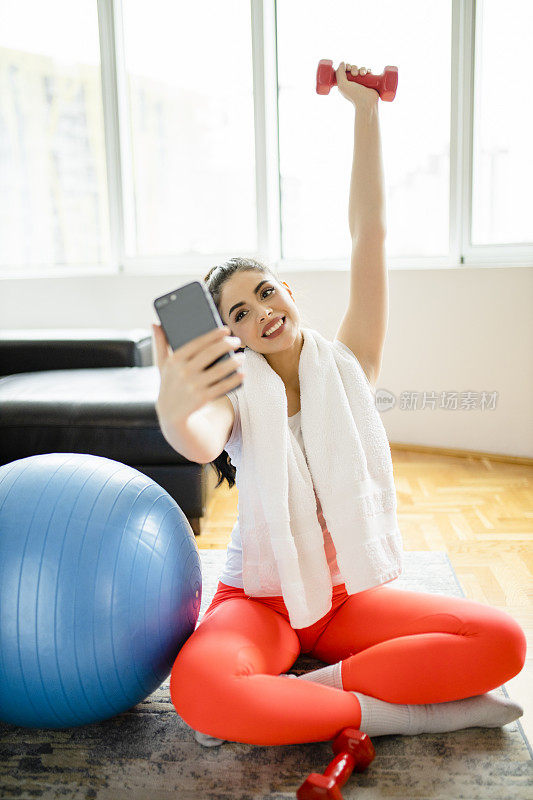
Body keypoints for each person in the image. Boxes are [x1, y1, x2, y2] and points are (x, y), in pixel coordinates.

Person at [153, 63, 526, 747]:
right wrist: (177, 405)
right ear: (227, 336)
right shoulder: (234, 399)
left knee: (501, 641)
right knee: (197, 692)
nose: (260, 311)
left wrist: (364, 110)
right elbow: (199, 441)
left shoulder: (349, 361)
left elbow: (369, 234)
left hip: (344, 600)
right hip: (260, 601)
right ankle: (405, 710)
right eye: (238, 311)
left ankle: (301, 696)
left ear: (288, 290)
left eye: (265, 291)